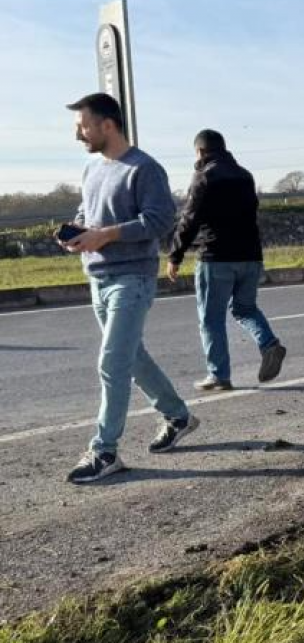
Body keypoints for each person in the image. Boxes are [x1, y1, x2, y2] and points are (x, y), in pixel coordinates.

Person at [59, 93, 199, 483]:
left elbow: (160, 220)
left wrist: (106, 235)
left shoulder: (145, 168)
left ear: (108, 125)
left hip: (132, 278)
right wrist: (76, 232)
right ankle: (179, 416)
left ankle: (104, 451)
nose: (78, 135)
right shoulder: (91, 168)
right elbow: (87, 213)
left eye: (82, 126)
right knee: (133, 357)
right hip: (97, 277)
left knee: (112, 361)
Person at [167, 129, 287, 390]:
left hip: (216, 256)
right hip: (250, 256)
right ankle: (269, 344)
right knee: (245, 309)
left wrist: (175, 255)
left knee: (211, 318)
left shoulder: (204, 175)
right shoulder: (245, 175)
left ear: (199, 151)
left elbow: (189, 219)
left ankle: (219, 374)